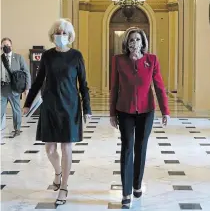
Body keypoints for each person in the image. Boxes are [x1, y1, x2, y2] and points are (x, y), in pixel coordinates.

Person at [23, 19, 92, 205]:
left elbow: (83, 84)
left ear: (69, 36)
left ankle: (64, 187)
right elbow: (38, 81)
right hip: (50, 105)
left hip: (70, 106)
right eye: (56, 32)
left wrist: (87, 108)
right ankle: (58, 173)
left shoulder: (76, 56)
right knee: (50, 148)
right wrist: (28, 103)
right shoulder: (47, 56)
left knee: (66, 147)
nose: (59, 35)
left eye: (62, 32)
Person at [109, 27, 170, 208]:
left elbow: (159, 87)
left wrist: (165, 111)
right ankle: (126, 192)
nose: (134, 43)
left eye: (137, 39)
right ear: (126, 43)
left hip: (146, 111)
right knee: (127, 148)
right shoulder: (118, 60)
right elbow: (114, 88)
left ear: (143, 42)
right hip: (125, 110)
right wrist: (112, 112)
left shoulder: (151, 60)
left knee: (141, 148)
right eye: (131, 40)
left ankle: (137, 184)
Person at [1, 37, 31, 136]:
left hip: (14, 88)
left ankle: (17, 129)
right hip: (2, 88)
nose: (6, 47)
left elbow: (26, 72)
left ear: (11, 46)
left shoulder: (18, 58)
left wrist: (27, 87)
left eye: (8, 45)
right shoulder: (1, 58)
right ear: (1, 46)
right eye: (4, 45)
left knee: (16, 110)